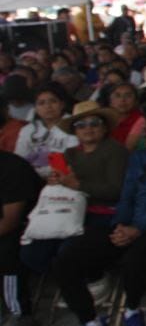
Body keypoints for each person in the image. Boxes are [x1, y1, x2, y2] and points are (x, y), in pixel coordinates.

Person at [52, 97, 146, 326]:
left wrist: (138, 228)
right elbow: (128, 194)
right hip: (129, 221)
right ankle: (91, 323)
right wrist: (121, 225)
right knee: (65, 257)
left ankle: (133, 311)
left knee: (133, 258)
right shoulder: (140, 156)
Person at [20, 101, 129, 278]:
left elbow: (117, 191)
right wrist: (56, 180)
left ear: (104, 127)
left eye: (94, 123)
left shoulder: (116, 151)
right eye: (81, 125)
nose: (88, 128)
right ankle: (71, 281)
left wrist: (77, 185)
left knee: (70, 252)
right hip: (68, 211)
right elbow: (62, 183)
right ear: (75, 130)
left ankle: (89, 279)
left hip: (104, 214)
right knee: (31, 253)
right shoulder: (69, 153)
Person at [0, 150, 42, 326]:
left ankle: (19, 313)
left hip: (30, 225)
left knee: (6, 248)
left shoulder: (11, 167)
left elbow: (10, 221)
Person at [13, 84, 75, 174]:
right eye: (41, 103)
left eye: (53, 101)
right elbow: (19, 159)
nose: (48, 106)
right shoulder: (28, 130)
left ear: (62, 104)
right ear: (36, 108)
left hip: (65, 175)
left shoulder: (73, 125)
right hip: (31, 177)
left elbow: (71, 160)